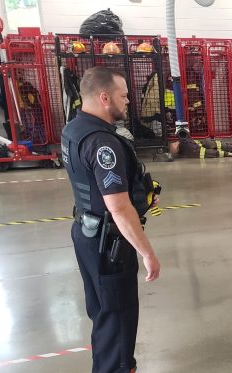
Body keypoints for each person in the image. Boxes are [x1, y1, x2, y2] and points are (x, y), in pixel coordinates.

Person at [60, 67, 161, 373]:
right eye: (123, 95)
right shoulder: (103, 144)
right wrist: (147, 253)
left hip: (87, 234)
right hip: (110, 244)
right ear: (105, 98)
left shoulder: (74, 129)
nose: (129, 101)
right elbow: (118, 208)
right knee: (118, 320)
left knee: (103, 315)